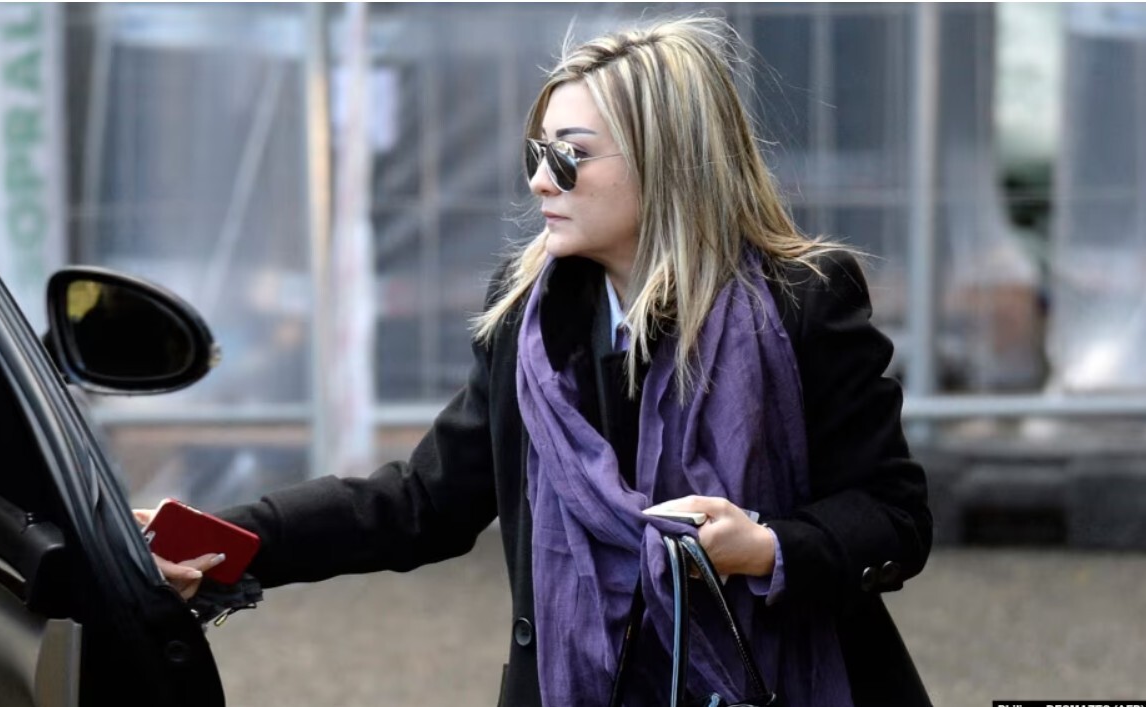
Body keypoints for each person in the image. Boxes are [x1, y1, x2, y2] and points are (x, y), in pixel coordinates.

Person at [144, 15, 932, 707]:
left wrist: (765, 547)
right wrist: (219, 538)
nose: (538, 179)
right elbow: (422, 501)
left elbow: (893, 513)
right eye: (537, 151)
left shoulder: (800, 301)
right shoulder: (527, 317)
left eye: (570, 155)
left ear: (667, 158)